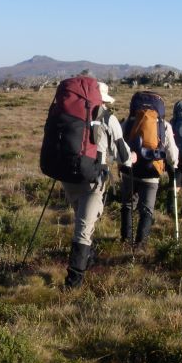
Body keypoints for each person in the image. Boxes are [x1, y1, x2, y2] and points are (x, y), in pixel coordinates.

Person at [61, 82, 136, 289]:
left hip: (68, 176)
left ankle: (88, 258)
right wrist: (132, 159)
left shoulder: (71, 114)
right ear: (102, 100)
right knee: (83, 229)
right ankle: (73, 283)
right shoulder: (107, 118)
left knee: (83, 220)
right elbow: (122, 154)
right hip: (92, 178)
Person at [119, 98, 178, 246]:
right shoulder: (163, 125)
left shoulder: (129, 122)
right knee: (147, 209)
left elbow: (119, 143)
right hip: (151, 172)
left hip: (129, 170)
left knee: (127, 205)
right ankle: (141, 244)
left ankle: (126, 240)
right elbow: (172, 153)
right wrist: (173, 164)